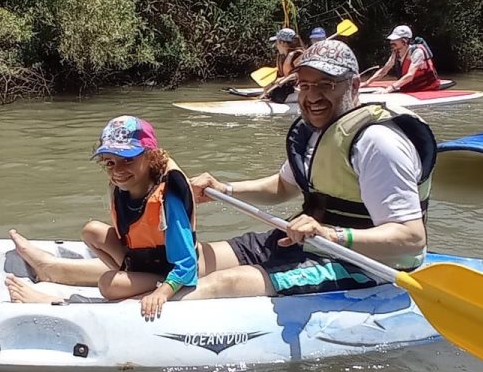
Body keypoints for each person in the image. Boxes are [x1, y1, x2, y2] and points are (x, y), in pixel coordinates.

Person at [186, 40, 437, 300]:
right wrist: (224, 188)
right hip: (313, 244)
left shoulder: (378, 143)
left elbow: (411, 238)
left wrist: (330, 235)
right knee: (195, 259)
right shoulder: (318, 132)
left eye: (325, 85)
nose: (312, 96)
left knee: (224, 283)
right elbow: (283, 187)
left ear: (353, 86)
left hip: (369, 265)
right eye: (305, 86)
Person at [6, 116, 198, 321]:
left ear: (150, 157)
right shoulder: (124, 190)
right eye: (110, 162)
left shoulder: (167, 200)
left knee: (108, 285)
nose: (118, 171)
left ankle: (146, 282)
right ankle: (130, 277)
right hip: (140, 261)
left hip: (168, 270)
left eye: (128, 160)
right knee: (91, 230)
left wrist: (163, 291)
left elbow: (187, 263)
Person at [363, 25, 441, 92]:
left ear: (404, 41)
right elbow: (384, 71)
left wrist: (389, 89)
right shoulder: (396, 53)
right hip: (410, 88)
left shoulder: (417, 52)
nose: (391, 42)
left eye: (394, 40)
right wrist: (367, 83)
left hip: (427, 89)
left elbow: (410, 75)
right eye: (391, 40)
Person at [259, 27, 305, 103]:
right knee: (274, 94)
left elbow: (300, 72)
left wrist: (284, 79)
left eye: (276, 42)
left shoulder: (298, 55)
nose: (275, 45)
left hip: (300, 89)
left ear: (283, 43)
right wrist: (270, 84)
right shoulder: (283, 56)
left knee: (278, 97)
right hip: (290, 87)